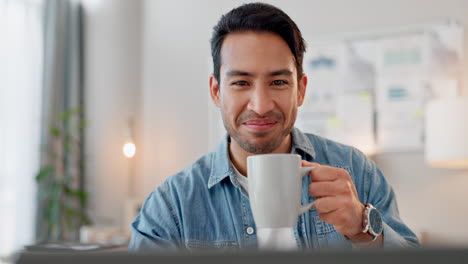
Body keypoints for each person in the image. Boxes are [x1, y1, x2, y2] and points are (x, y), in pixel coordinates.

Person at [129, 2, 419, 251]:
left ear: (300, 90)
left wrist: (363, 228)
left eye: (278, 82)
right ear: (216, 91)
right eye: (241, 83)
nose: (261, 105)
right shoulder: (172, 205)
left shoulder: (355, 171)